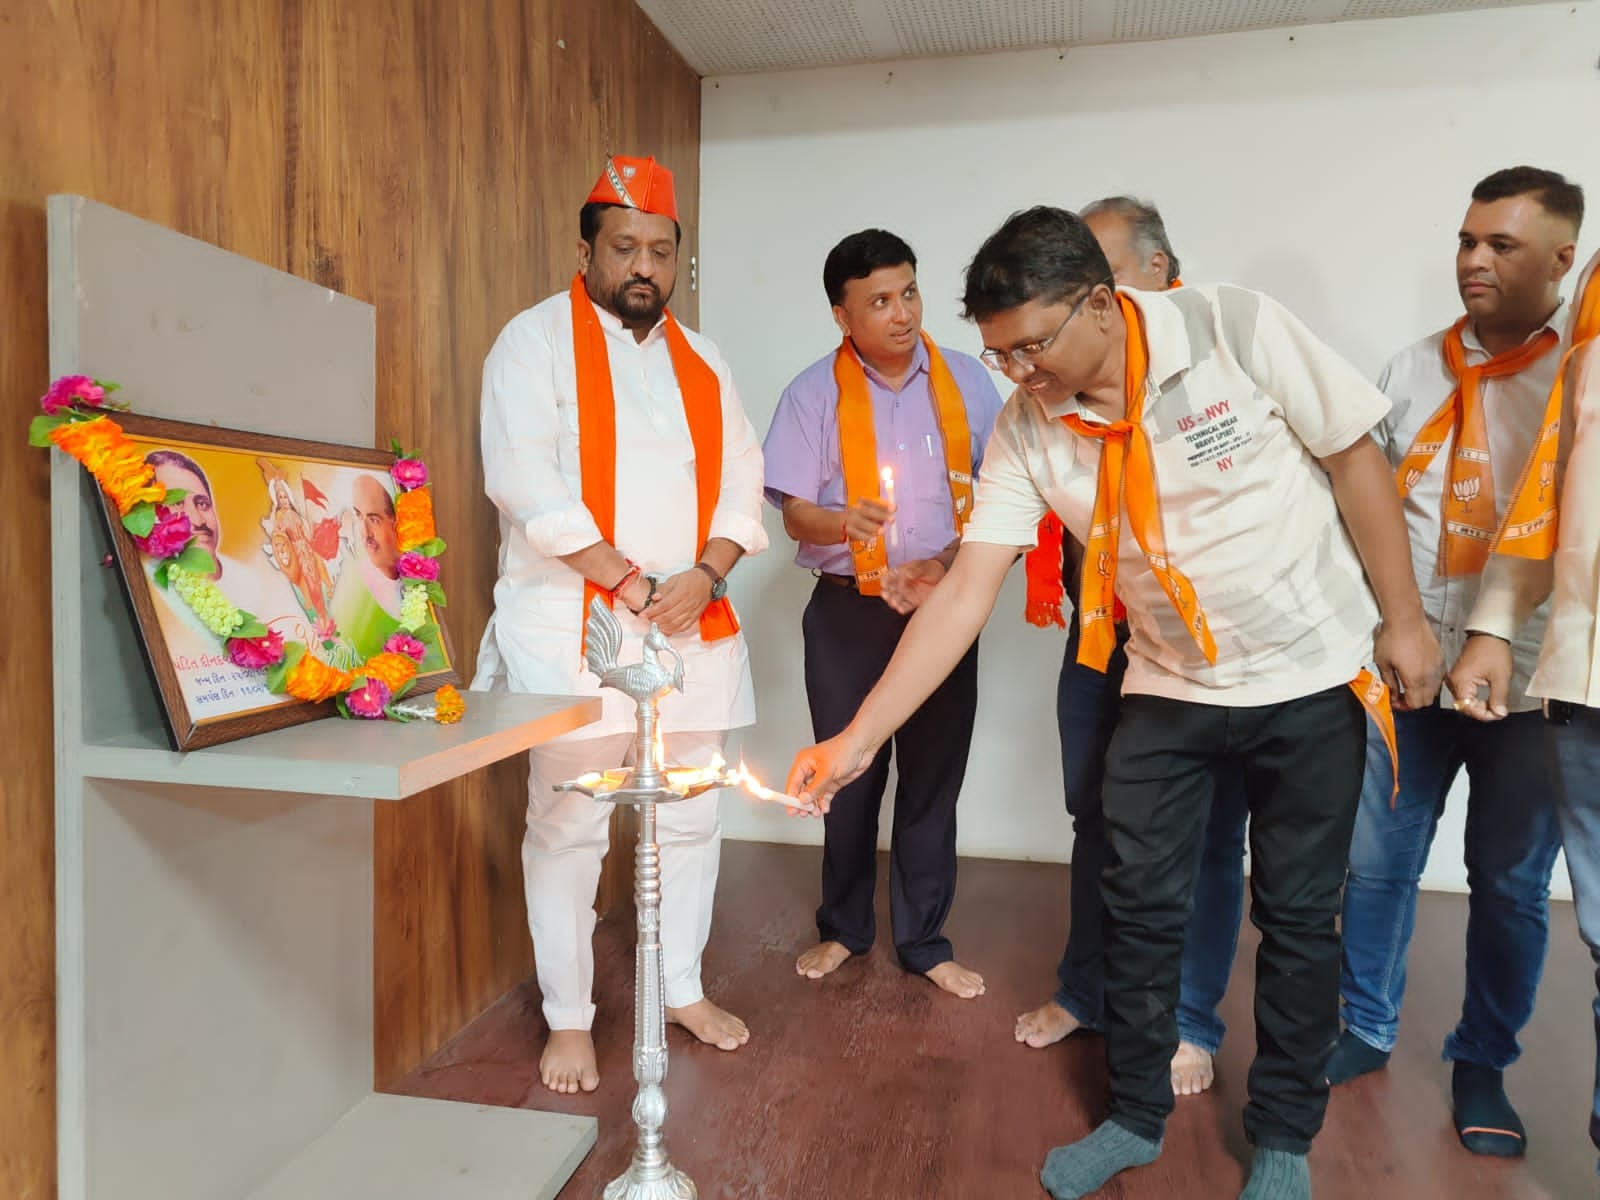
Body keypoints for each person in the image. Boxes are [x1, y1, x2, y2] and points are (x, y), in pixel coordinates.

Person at [785, 206, 1442, 1200]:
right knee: (1134, 901)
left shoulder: (1232, 329)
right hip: (1166, 683)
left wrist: (1405, 620)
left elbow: (1354, 457)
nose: (1020, 374)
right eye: (1001, 355)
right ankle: (1135, 1113)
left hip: (1307, 675)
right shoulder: (1027, 424)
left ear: (1101, 303)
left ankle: (1282, 1137)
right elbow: (965, 591)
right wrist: (857, 738)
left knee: (1299, 915)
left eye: (1033, 347)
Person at [471, 155, 766, 1095]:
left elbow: (744, 478)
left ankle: (679, 988)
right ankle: (568, 1017)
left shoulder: (705, 360)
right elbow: (523, 482)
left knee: (692, 814)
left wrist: (706, 573)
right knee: (568, 824)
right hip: (576, 623)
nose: (644, 265)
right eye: (625, 246)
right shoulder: (532, 343)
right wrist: (630, 582)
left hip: (692, 621)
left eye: (661, 250)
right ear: (586, 251)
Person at [1328, 167, 1584, 1159]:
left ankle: (1483, 1059)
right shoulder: (1410, 369)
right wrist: (1382, 627)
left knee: (1509, 885)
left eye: (1502, 245)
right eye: (1467, 240)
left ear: (1563, 260)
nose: (1474, 260)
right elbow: (1367, 508)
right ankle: (1363, 1025)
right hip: (1409, 666)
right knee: (1375, 863)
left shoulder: (1581, 379)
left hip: (1528, 689)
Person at [1016, 196, 1248, 1100]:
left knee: (1207, 837)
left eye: (1100, 276)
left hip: (1203, 652)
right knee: (1097, 818)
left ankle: (1190, 1017)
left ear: (1159, 271)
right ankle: (1089, 990)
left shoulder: (1218, 366)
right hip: (1100, 632)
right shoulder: (1054, 398)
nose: (1086, 296)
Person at [761, 228, 1003, 999]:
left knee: (933, 781)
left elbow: (1004, 497)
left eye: (909, 293)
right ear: (842, 316)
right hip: (847, 615)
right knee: (847, 779)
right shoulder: (811, 394)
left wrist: (944, 567)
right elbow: (793, 514)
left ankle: (925, 942)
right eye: (879, 302)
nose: (902, 314)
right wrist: (844, 523)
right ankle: (844, 929)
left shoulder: (968, 381)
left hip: (942, 608)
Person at [1449, 246, 1600, 1169]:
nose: (1476, 260)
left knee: (1508, 880)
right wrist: (1496, 623)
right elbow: (1560, 480)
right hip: (1583, 681)